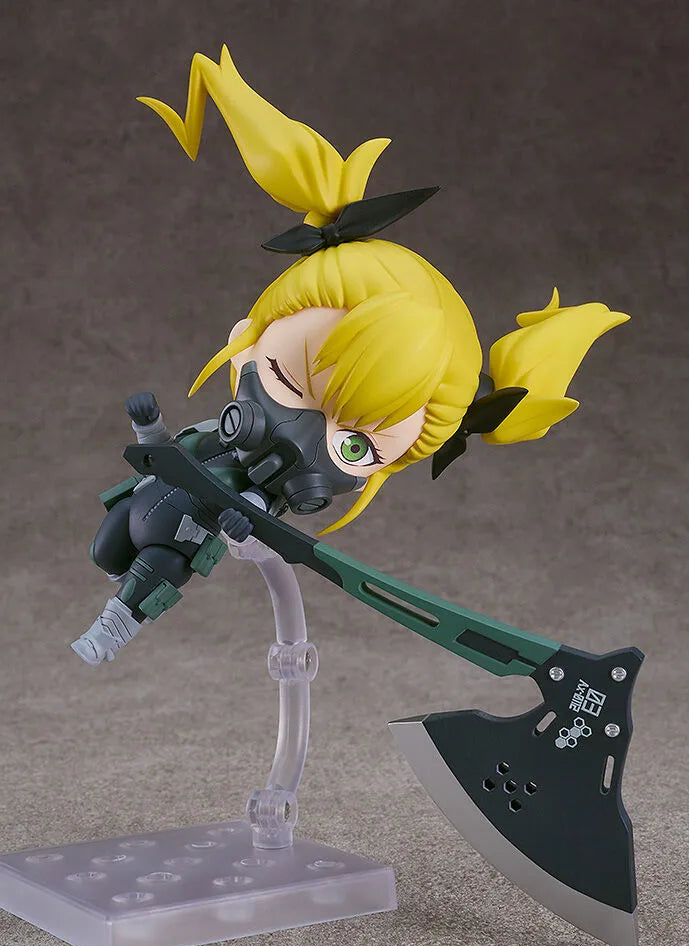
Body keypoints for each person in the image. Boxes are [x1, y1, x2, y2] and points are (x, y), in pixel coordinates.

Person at [72, 46, 629, 666]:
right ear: (247, 337)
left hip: (180, 534)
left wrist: (250, 526)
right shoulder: (215, 432)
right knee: (106, 550)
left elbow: (259, 519)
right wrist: (149, 426)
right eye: (286, 378)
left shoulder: (264, 492)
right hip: (146, 496)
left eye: (356, 446)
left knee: (158, 567)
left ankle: (115, 625)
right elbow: (168, 452)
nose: (301, 436)